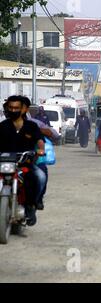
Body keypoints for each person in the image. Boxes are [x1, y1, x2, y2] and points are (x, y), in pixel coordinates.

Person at [0, 96, 46, 226]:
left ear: (23, 110)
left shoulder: (31, 126)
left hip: (24, 164)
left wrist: (40, 149)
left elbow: (40, 140)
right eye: (11, 108)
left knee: (39, 177)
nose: (13, 110)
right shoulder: (2, 126)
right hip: (4, 163)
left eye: (16, 108)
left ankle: (31, 206)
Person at [21, 96, 59, 211]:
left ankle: (36, 201)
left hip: (30, 160)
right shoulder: (4, 124)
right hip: (8, 161)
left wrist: (40, 131)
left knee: (41, 176)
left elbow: (54, 134)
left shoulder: (34, 124)